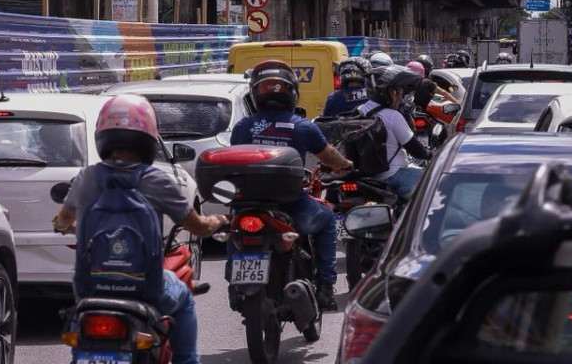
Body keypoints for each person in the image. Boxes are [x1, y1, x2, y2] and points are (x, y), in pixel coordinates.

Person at [52, 94, 227, 364]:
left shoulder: (87, 178)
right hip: (147, 290)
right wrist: (217, 222)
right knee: (185, 301)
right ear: (147, 140)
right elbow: (198, 226)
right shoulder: (158, 180)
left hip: (89, 290)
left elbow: (61, 221)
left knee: (80, 331)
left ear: (103, 137)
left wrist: (72, 228)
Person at [231, 60, 353, 311]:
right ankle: (325, 287)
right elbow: (329, 156)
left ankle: (235, 285)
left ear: (256, 94)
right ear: (292, 93)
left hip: (249, 203)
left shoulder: (244, 126)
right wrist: (345, 165)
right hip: (291, 202)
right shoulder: (302, 126)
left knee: (234, 230)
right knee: (328, 220)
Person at [360, 66, 433, 200]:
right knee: (434, 184)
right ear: (391, 92)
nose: (402, 96)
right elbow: (417, 151)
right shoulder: (393, 116)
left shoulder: (359, 111)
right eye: (400, 91)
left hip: (365, 179)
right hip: (393, 175)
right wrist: (433, 155)